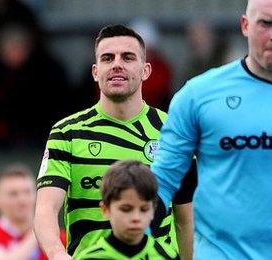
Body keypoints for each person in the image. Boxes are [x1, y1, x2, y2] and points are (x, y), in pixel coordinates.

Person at [151, 0, 272, 258]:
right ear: (245, 25)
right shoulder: (198, 95)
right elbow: (162, 182)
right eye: (265, 23)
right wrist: (128, 244)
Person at [34, 24, 194, 259]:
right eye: (108, 58)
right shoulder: (67, 132)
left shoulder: (175, 134)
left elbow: (186, 220)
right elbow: (45, 209)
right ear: (96, 72)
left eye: (128, 57)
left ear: (145, 70)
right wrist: (58, 254)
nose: (117, 64)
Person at [74, 160, 178, 259]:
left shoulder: (168, 256)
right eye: (126, 209)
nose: (136, 218)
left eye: (144, 209)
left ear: (153, 210)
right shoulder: (89, 258)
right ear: (105, 209)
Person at [0, 164, 62, 260]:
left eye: (27, 192)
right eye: (13, 194)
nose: (22, 200)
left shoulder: (59, 237)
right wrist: (39, 230)